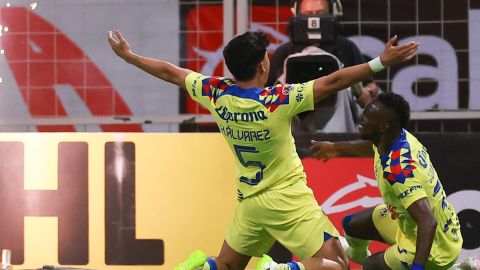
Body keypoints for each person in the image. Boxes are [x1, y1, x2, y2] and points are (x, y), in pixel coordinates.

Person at [108, 29, 418, 270]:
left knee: (227, 264)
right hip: (288, 200)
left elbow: (170, 72)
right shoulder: (278, 100)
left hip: (250, 203)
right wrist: (381, 62)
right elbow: (334, 81)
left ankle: (201, 265)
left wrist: (131, 57)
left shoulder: (215, 93)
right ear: (262, 64)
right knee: (337, 264)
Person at [310, 92, 464, 270]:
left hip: (435, 246)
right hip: (410, 223)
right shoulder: (394, 138)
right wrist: (336, 148)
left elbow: (427, 221)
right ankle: (355, 256)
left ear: (383, 126)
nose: (361, 118)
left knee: (370, 267)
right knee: (351, 225)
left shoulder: (399, 170)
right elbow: (374, 147)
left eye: (367, 117)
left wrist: (418, 268)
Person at [268, 0, 379, 132]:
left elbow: (369, 86)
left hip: (338, 130)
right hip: (292, 131)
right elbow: (266, 93)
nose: (314, 19)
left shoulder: (347, 48)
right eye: (308, 14)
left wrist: (366, 94)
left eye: (320, 13)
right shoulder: (283, 52)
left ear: (333, 13)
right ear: (297, 14)